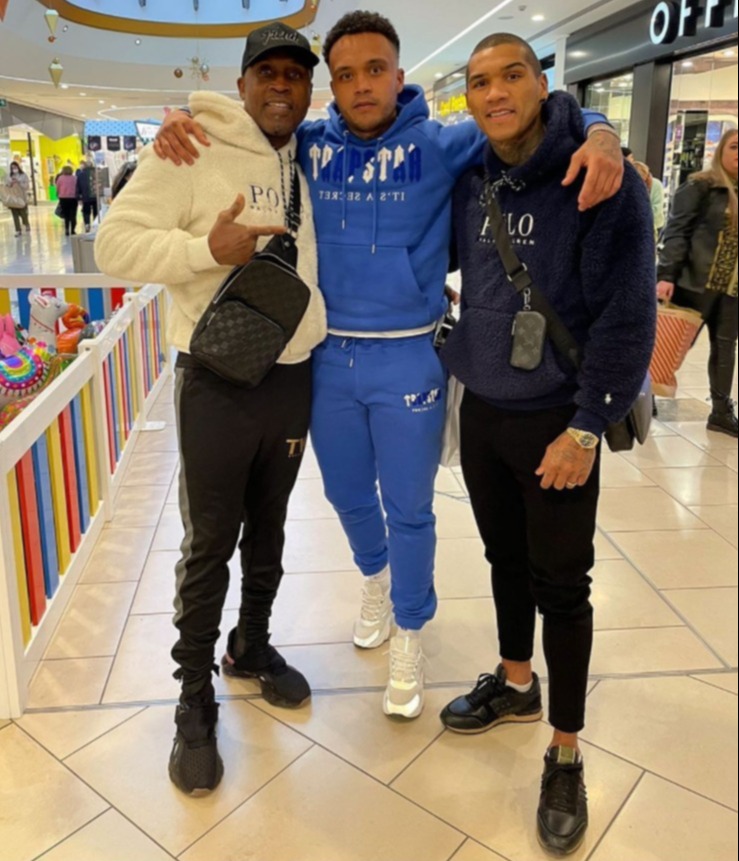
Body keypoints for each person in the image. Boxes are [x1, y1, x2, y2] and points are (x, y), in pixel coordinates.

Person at [154, 10, 625, 721]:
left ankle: (410, 630)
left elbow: (530, 111)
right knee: (346, 497)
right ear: (331, 89)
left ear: (399, 77)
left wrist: (602, 129)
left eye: (374, 69)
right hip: (326, 358)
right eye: (344, 75)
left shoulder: (442, 143)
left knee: (409, 509)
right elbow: (242, 128)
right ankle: (373, 581)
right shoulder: (306, 144)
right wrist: (178, 123)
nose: (360, 85)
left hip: (408, 356)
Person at [95, 23, 327, 796]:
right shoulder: (186, 147)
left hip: (292, 374)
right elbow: (113, 246)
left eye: (296, 75)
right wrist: (206, 252)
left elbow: (408, 110)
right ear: (240, 84)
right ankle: (193, 699)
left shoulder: (307, 150)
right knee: (208, 544)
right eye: (267, 72)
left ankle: (250, 646)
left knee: (270, 529)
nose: (282, 86)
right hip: (218, 379)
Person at [439, 34, 656, 855]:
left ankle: (564, 749)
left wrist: (584, 426)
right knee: (503, 559)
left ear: (541, 82)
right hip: (487, 408)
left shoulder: (597, 176)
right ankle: (515, 681)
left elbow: (629, 317)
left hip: (557, 417)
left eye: (510, 76)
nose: (493, 93)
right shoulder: (470, 177)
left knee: (562, 584)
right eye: (477, 82)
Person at [657, 129, 739, 438]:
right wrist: (666, 275)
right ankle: (632, 397)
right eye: (734, 146)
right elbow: (676, 232)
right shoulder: (701, 186)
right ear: (721, 151)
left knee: (725, 348)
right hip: (694, 284)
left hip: (731, 290)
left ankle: (721, 411)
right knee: (670, 346)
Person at [3, 162, 31, 236]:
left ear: (18, 167)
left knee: (23, 214)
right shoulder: (9, 176)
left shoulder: (23, 175)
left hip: (21, 197)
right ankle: (18, 230)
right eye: (12, 168)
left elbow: (26, 186)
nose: (14, 169)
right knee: (15, 215)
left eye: (15, 167)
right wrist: (10, 183)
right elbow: (6, 185)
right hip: (12, 197)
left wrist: (19, 182)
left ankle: (26, 223)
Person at [55, 165, 79, 236]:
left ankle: (66, 230)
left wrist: (58, 194)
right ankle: (72, 230)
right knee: (73, 214)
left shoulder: (60, 178)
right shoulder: (75, 178)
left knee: (66, 215)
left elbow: (58, 187)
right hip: (73, 198)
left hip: (63, 198)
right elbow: (77, 187)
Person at [77, 160, 99, 232]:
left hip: (85, 196)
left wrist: (79, 197)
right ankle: (96, 224)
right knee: (96, 210)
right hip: (95, 196)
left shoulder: (80, 174)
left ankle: (87, 224)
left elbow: (78, 187)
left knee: (86, 211)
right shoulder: (97, 173)